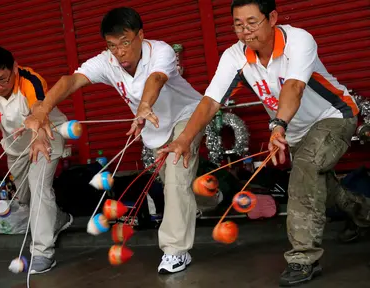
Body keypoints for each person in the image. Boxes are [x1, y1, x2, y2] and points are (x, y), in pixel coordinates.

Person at [157, 0, 370, 286]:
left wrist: (277, 125)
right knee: (321, 186)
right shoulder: (235, 56)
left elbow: (294, 87)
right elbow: (210, 102)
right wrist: (183, 139)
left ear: (272, 18)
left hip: (333, 116)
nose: (244, 31)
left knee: (305, 170)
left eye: (251, 22)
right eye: (237, 24)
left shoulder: (298, 40)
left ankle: (303, 258)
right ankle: (364, 214)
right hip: (293, 131)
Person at [24, 7, 207, 274]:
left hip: (188, 116)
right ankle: (212, 196)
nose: (119, 52)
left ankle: (175, 251)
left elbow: (156, 78)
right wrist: (42, 109)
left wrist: (144, 106)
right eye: (112, 45)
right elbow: (71, 80)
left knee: (177, 174)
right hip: (155, 130)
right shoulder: (107, 62)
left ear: (140, 36)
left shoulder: (161, 52)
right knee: (177, 184)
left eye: (125, 43)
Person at [0, 46, 73, 274]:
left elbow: (38, 109)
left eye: (2, 80)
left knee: (38, 187)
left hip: (46, 137)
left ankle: (42, 253)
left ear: (14, 67)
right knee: (24, 196)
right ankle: (58, 219)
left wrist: (39, 136)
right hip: (16, 147)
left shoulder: (29, 81)